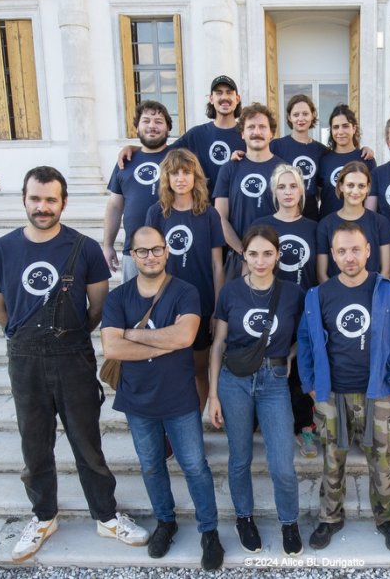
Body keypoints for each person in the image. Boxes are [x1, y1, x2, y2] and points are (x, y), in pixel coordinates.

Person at [0, 166, 148, 562]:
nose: (43, 207)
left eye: (51, 200)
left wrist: (68, 338)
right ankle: (43, 516)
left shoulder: (84, 248)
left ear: (64, 202)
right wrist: (25, 338)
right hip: (24, 359)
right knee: (34, 442)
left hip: (72, 356)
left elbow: (98, 308)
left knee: (87, 442)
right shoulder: (0, 250)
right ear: (24, 199)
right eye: (36, 199)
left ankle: (106, 516)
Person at [100, 225, 224, 570]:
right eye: (142, 251)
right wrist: (162, 342)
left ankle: (209, 530)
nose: (150, 256)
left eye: (156, 249)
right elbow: (112, 348)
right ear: (132, 255)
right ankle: (165, 522)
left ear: (167, 252)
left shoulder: (185, 292)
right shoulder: (118, 298)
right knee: (152, 465)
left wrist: (131, 334)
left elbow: (185, 337)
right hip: (137, 399)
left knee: (195, 466)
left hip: (179, 397)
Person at [297, 221, 390, 554]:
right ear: (333, 255)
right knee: (332, 459)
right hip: (332, 393)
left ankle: (387, 518)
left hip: (379, 391)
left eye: (355, 250)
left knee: (381, 459)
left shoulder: (387, 291)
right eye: (342, 251)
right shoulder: (318, 296)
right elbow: (306, 343)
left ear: (368, 251)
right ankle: (330, 517)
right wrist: (313, 388)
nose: (350, 257)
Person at [208, 224, 306, 556]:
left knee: (282, 463)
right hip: (234, 381)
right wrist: (212, 395)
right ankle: (244, 518)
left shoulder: (292, 293)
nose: (260, 261)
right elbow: (218, 343)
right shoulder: (231, 292)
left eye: (267, 254)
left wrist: (289, 356)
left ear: (278, 255)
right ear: (244, 256)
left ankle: (289, 521)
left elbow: (304, 336)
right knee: (240, 457)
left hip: (274, 381)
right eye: (253, 254)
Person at [145, 149, 225, 409]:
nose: (180, 178)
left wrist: (217, 309)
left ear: (195, 176)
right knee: (170, 368)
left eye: (186, 172)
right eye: (174, 173)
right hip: (167, 302)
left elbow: (217, 265)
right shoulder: (156, 213)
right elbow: (150, 262)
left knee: (200, 367)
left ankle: (194, 422)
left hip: (201, 302)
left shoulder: (209, 214)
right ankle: (172, 420)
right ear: (166, 178)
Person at [252, 164, 321, 458]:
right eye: (282, 187)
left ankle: (304, 426)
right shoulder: (262, 225)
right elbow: (249, 267)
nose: (288, 192)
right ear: (274, 192)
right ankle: (265, 422)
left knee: (301, 369)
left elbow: (319, 273)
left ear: (302, 191)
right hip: (269, 308)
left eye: (293, 186)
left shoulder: (314, 227)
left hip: (304, 309)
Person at [118, 75, 245, 197]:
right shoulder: (196, 134)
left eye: (229, 92)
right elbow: (165, 152)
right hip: (205, 208)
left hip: (239, 207)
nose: (224, 97)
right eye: (219, 93)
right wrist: (136, 149)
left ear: (237, 99)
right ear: (211, 99)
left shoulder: (247, 135)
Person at [214, 103, 285, 281]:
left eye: (262, 127)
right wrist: (244, 253)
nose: (256, 132)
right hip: (238, 260)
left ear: (271, 133)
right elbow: (219, 217)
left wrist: (267, 255)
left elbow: (290, 216)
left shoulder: (284, 170)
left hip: (275, 261)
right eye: (251, 127)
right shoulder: (229, 168)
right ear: (242, 133)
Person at [102, 100, 172, 280]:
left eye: (158, 121)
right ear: (137, 127)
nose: (152, 126)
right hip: (134, 251)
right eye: (146, 121)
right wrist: (108, 245)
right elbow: (115, 206)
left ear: (168, 128)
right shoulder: (125, 161)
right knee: (134, 298)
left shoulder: (178, 155)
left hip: (172, 250)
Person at [316, 161, 390, 282]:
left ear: (368, 188)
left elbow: (386, 271)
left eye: (361, 186)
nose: (356, 191)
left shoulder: (380, 222)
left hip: (373, 291)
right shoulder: (326, 225)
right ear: (341, 186)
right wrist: (336, 293)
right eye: (350, 185)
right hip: (336, 293)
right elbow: (321, 274)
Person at [270, 94, 327, 220]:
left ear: (312, 115)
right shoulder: (276, 146)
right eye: (296, 115)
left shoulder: (322, 150)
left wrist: (364, 150)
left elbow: (321, 186)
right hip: (282, 208)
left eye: (305, 114)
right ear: (289, 117)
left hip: (310, 211)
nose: (301, 118)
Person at [317, 105, 377, 218]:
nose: (340, 131)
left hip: (358, 223)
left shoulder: (365, 158)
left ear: (354, 128)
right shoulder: (324, 160)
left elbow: (371, 195)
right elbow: (319, 193)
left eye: (345, 126)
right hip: (328, 222)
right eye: (336, 127)